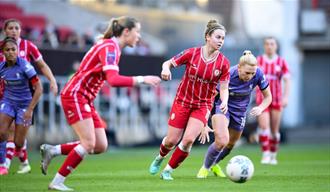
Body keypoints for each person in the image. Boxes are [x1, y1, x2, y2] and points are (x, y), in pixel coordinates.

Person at [39, 16, 161, 191]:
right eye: (137, 32)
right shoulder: (110, 47)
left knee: (100, 145)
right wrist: (143, 79)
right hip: (75, 95)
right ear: (126, 32)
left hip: (85, 98)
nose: (139, 36)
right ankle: (57, 182)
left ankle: (54, 150)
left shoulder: (111, 46)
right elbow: (113, 80)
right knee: (88, 143)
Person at [148, 19, 230, 181]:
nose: (220, 41)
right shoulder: (191, 53)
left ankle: (168, 171)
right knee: (171, 141)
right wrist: (165, 69)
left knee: (188, 140)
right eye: (217, 37)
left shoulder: (223, 63)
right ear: (207, 37)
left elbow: (224, 88)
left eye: (223, 38)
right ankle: (160, 157)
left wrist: (225, 101)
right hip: (182, 101)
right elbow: (168, 63)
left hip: (202, 105)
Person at [195, 50, 272, 178]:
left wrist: (261, 108)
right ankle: (204, 169)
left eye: (252, 73)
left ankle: (214, 163)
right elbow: (209, 97)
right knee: (221, 141)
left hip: (240, 112)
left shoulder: (258, 73)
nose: (250, 76)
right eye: (247, 73)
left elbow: (268, 97)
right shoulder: (228, 74)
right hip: (223, 107)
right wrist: (204, 120)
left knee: (230, 144)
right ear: (239, 67)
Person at [0, 18, 58, 174]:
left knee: (18, 139)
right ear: (5, 30)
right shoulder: (2, 49)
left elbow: (42, 65)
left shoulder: (28, 47)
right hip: (5, 94)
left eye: (16, 28)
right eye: (10, 28)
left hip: (26, 97)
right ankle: (4, 165)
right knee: (5, 130)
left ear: (21, 30)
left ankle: (23, 161)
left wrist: (52, 80)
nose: (13, 30)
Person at [0, 37, 43, 175]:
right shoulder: (1, 67)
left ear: (17, 51)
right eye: (7, 50)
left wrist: (30, 109)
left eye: (13, 49)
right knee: (1, 132)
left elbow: (39, 88)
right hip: (8, 102)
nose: (11, 52)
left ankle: (19, 158)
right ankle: (3, 163)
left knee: (19, 143)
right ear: (3, 52)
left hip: (25, 105)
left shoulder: (25, 66)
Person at [256, 37, 291, 165]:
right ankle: (265, 154)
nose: (269, 46)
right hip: (262, 99)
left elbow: (287, 80)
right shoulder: (258, 61)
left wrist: (286, 97)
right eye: (267, 44)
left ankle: (273, 154)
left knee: (274, 130)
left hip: (276, 100)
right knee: (264, 127)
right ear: (264, 46)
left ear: (276, 46)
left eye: (272, 44)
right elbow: (252, 78)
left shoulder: (281, 62)